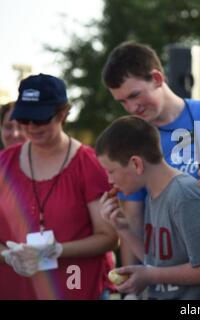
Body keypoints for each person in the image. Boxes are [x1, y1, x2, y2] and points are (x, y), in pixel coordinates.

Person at [101, 42, 200, 290]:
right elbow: (134, 216)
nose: (132, 108)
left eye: (134, 95)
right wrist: (133, 289)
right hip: (178, 282)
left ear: (157, 78)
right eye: (122, 102)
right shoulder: (134, 140)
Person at [0, 73, 118, 299]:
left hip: (76, 287)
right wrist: (9, 255)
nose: (32, 127)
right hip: (15, 289)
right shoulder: (4, 164)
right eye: (25, 119)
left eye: (41, 119)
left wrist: (58, 250)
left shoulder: (89, 164)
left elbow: (109, 236)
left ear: (63, 113)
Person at [96, 116, 200, 299]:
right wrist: (123, 228)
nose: (110, 180)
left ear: (136, 164)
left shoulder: (183, 195)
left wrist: (151, 276)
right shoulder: (154, 194)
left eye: (110, 171)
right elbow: (158, 263)